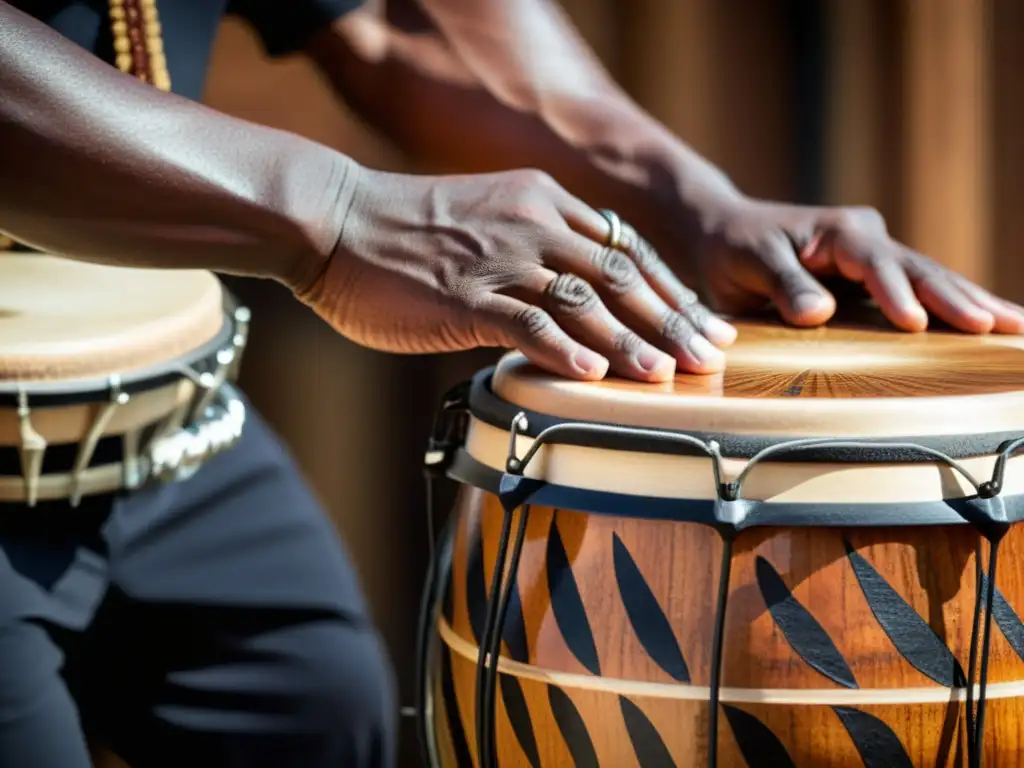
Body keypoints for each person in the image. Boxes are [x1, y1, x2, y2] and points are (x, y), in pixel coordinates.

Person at [0, 1, 1020, 767]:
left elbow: (399, 21)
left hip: (168, 403)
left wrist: (688, 201)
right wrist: (333, 210)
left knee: (312, 708)